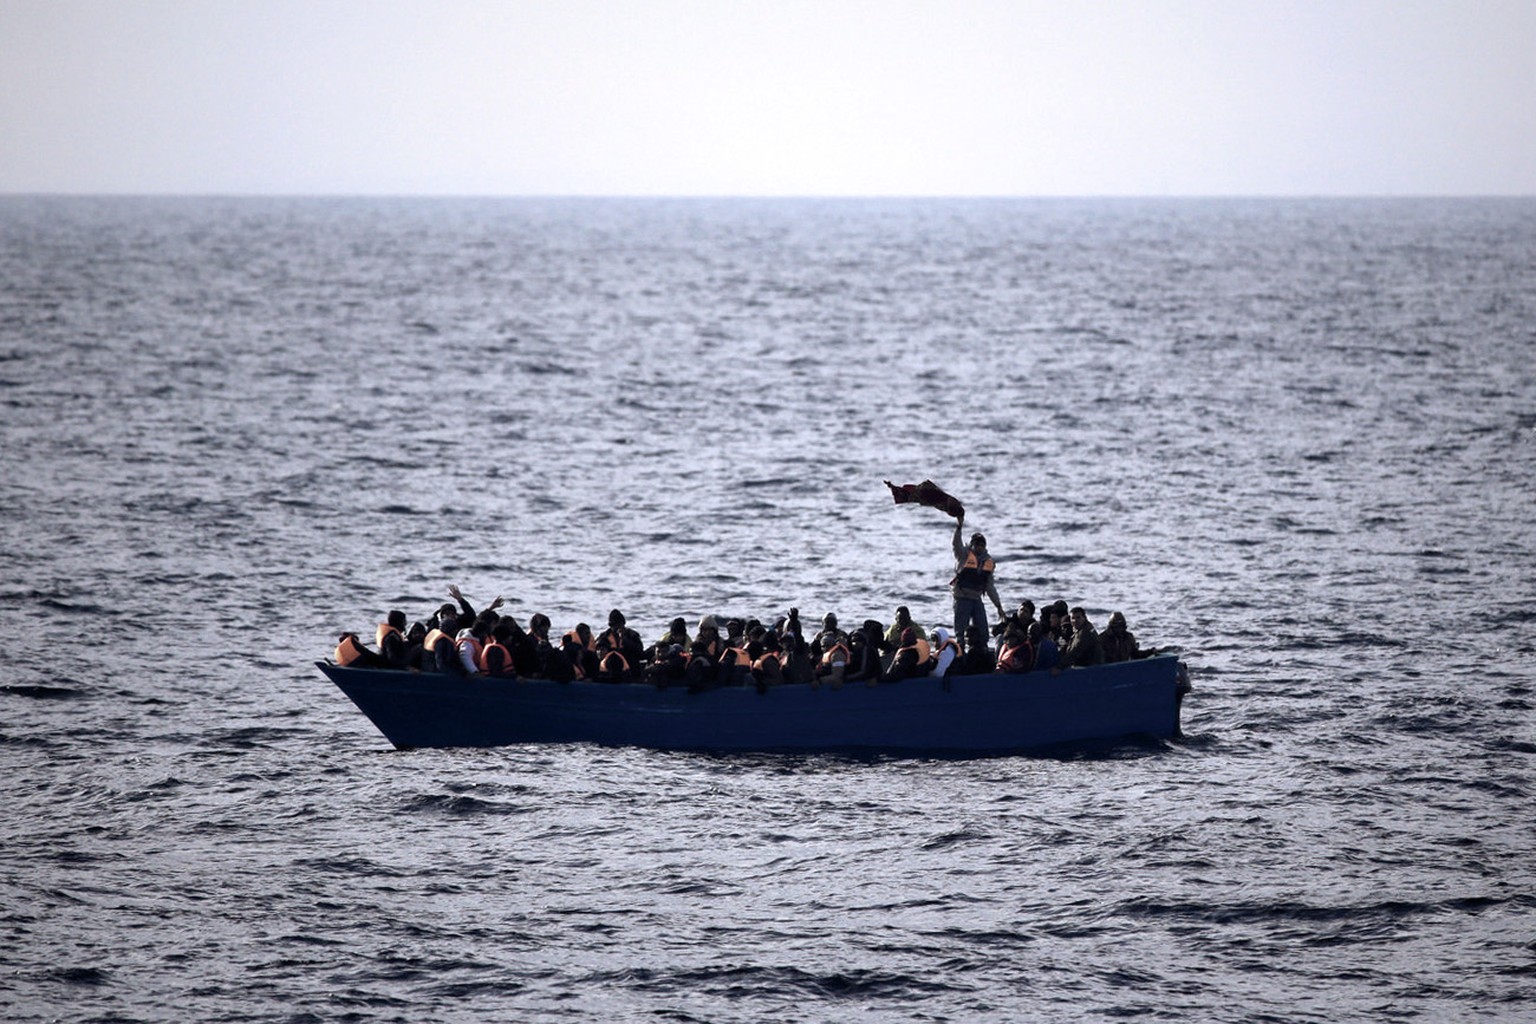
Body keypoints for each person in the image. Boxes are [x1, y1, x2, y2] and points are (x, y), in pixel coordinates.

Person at [951, 517, 1004, 650]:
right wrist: (959, 528)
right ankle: (960, 655)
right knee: (961, 633)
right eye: (976, 544)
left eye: (981, 545)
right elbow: (956, 544)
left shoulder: (988, 562)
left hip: (976, 599)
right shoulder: (963, 554)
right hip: (962, 599)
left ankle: (983, 653)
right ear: (972, 544)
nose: (979, 547)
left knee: (983, 632)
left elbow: (990, 587)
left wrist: (998, 605)